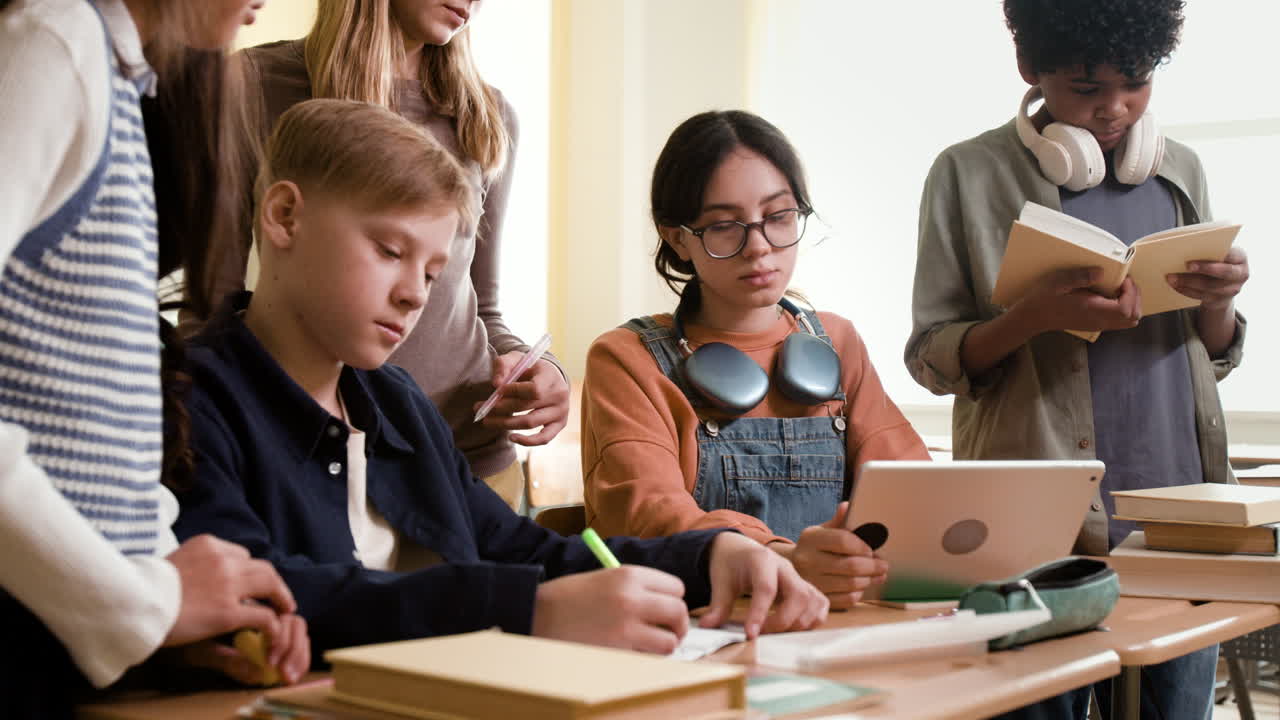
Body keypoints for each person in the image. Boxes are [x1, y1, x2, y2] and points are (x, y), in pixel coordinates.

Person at [172, 99, 829, 660]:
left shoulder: (396, 403)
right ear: (284, 217)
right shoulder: (188, 399)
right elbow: (254, 591)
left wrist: (708, 558)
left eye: (432, 273)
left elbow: (520, 549)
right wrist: (525, 611)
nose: (414, 294)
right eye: (390, 251)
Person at [905, 1, 1249, 717]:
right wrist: (1033, 319)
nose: (1115, 110)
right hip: (1036, 529)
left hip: (1179, 520)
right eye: (1087, 88)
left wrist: (1219, 301)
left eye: (1137, 82)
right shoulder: (968, 173)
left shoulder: (1180, 170)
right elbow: (931, 359)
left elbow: (1208, 357)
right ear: (1030, 68)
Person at [0, 0, 311, 715]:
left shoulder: (113, 78)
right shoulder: (54, 42)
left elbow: (85, 433)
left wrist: (174, 608)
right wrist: (143, 605)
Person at [203, 0, 565, 509]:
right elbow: (209, 306)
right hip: (310, 465)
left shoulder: (488, 115)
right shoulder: (253, 85)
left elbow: (482, 310)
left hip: (470, 466)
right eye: (389, 250)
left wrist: (540, 369)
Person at [580, 110, 931, 610]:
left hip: (834, 621)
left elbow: (910, 486)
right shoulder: (626, 360)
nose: (759, 247)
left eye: (779, 216)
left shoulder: (838, 341)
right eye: (725, 226)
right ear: (678, 237)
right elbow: (649, 516)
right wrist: (782, 560)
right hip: (705, 624)